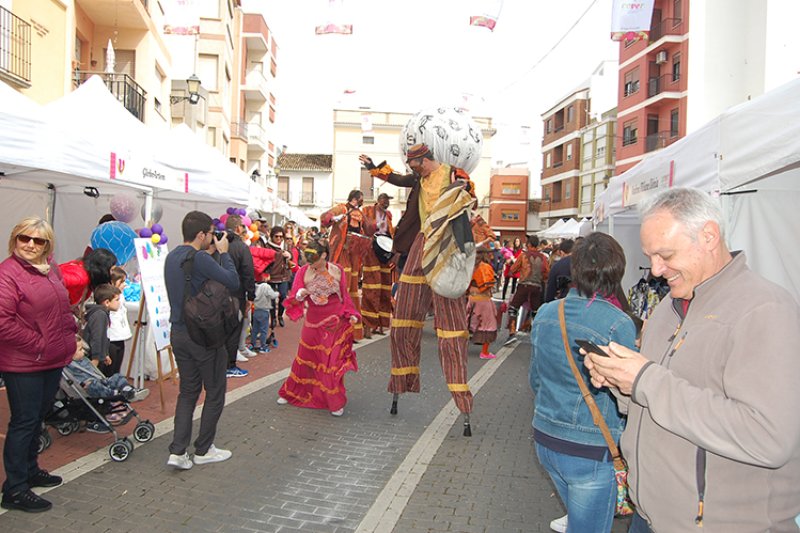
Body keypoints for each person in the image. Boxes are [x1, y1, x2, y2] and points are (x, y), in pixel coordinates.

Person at [584, 188, 800, 532]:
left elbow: (768, 437)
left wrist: (644, 380)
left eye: (665, 254)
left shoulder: (765, 310)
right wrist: (623, 385)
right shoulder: (668, 309)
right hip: (650, 517)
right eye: (650, 256)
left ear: (709, 236)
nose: (655, 269)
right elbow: (665, 399)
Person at [359, 144, 477, 433]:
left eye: (415, 164)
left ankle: (462, 398)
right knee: (403, 322)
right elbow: (396, 178)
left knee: (451, 328)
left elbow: (469, 200)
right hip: (420, 244)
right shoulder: (417, 180)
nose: (412, 169)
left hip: (447, 245)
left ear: (425, 160)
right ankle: (402, 380)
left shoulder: (454, 174)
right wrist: (375, 167)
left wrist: (465, 250)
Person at [529, 232, 636, 533]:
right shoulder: (619, 323)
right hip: (590, 450)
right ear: (616, 271)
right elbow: (627, 396)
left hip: (546, 440)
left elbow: (535, 379)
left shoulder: (547, 314)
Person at [0, 217, 77, 513]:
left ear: (48, 245)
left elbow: (60, 308)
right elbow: (3, 323)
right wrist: (40, 345)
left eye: (38, 240)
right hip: (24, 363)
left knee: (37, 419)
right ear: (14, 239)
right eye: (24, 238)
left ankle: (30, 470)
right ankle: (15, 488)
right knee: (24, 421)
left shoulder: (49, 269)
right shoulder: (7, 274)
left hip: (50, 360)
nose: (30, 244)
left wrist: (70, 329)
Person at [163, 211, 239, 470]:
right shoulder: (199, 259)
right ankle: (203, 450)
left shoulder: (171, 256)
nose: (212, 237)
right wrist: (225, 253)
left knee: (188, 392)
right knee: (215, 391)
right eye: (209, 233)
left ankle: (178, 451)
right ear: (200, 235)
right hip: (202, 335)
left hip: (178, 332)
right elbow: (232, 280)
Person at [276, 239, 360, 416]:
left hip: (334, 322)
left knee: (330, 361)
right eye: (308, 259)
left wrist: (350, 313)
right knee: (305, 358)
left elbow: (345, 296)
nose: (310, 263)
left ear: (323, 255)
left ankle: (333, 401)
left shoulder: (337, 270)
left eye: (314, 258)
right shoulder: (303, 272)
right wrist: (300, 295)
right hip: (313, 322)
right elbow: (294, 295)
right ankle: (292, 392)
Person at [320, 189, 369, 340]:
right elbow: (324, 218)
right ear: (355, 199)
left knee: (353, 290)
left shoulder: (359, 213)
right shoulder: (341, 208)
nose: (362, 202)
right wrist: (333, 218)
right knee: (342, 288)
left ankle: (352, 331)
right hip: (342, 253)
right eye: (361, 199)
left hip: (354, 255)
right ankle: (337, 329)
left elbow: (367, 228)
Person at [222, 215, 256, 378]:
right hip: (236, 295)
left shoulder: (218, 243)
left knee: (221, 329)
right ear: (237, 228)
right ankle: (230, 365)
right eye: (243, 226)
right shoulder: (241, 247)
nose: (245, 229)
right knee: (234, 329)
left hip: (217, 293)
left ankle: (221, 363)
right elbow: (248, 272)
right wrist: (251, 295)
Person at [361, 192, 395, 337]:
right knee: (371, 288)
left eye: (388, 200)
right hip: (371, 251)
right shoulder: (368, 210)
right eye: (384, 199)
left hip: (384, 252)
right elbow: (366, 227)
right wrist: (376, 225)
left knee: (385, 288)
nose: (386, 202)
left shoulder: (389, 215)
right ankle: (368, 325)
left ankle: (381, 324)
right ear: (379, 200)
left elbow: (391, 232)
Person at [507, 235, 549, 335]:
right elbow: (547, 273)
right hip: (537, 286)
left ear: (529, 244)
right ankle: (536, 331)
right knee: (536, 311)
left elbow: (513, 269)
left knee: (513, 308)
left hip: (524, 285)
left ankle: (512, 331)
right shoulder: (543, 257)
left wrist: (512, 269)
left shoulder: (523, 255)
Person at [467, 249, 498, 359]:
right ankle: (484, 352)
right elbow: (488, 284)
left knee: (467, 321)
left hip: (471, 297)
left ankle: (460, 348)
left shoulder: (470, 266)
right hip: (483, 298)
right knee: (488, 324)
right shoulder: (485, 267)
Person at [264, 226, 294, 329]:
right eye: (276, 236)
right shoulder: (267, 247)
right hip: (272, 276)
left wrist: (289, 255)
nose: (279, 239)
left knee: (283, 297)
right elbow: (264, 262)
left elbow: (293, 258)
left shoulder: (285, 246)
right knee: (271, 298)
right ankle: (273, 318)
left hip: (284, 276)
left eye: (281, 237)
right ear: (272, 236)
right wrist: (266, 273)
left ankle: (280, 315)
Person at [106, 266, 132, 377]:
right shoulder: (108, 298)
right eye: (121, 282)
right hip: (112, 338)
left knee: (117, 368)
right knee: (110, 369)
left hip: (120, 336)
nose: (124, 285)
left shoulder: (121, 296)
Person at [544, 239, 575, 303]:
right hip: (585, 302)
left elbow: (551, 289)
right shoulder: (584, 263)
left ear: (562, 252)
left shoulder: (557, 266)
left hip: (563, 301)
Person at [251, 280, 279, 353]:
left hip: (256, 310)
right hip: (264, 310)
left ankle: (253, 344)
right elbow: (272, 295)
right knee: (264, 330)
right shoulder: (266, 286)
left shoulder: (255, 286)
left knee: (255, 329)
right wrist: (277, 293)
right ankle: (263, 346)